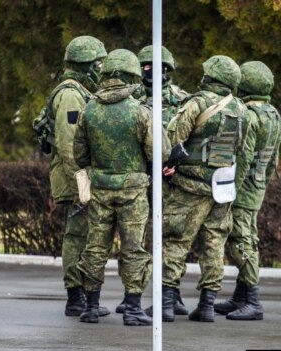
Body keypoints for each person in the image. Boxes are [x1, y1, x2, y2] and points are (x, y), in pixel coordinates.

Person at [74, 49, 171, 326]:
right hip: (133, 191)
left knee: (95, 247)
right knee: (133, 248)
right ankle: (132, 308)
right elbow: (160, 153)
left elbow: (79, 155)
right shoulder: (140, 112)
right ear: (133, 75)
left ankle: (91, 307)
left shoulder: (89, 110)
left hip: (101, 188)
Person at [160, 55, 253, 322]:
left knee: (175, 241)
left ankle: (167, 304)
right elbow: (243, 152)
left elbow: (172, 139)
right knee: (214, 246)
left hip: (189, 187)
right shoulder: (241, 110)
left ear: (210, 78)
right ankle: (207, 306)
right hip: (222, 189)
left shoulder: (197, 102)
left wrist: (168, 168)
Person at [114, 44, 191, 317]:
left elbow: (189, 135)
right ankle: (130, 295)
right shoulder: (130, 97)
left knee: (172, 236)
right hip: (138, 177)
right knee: (134, 240)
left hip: (171, 180)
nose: (150, 72)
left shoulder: (182, 100)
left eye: (156, 67)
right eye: (145, 67)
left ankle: (173, 294)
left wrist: (176, 164)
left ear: (167, 70)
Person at [46, 35, 110, 318]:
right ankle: (75, 297)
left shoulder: (83, 90)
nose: (101, 67)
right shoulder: (71, 94)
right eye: (98, 62)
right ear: (84, 64)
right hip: (76, 180)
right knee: (77, 235)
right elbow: (68, 145)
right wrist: (83, 186)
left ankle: (83, 294)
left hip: (82, 177)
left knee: (86, 236)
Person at [214, 61, 281, 321]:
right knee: (249, 239)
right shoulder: (273, 113)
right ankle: (240, 297)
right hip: (258, 186)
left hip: (243, 190)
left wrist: (230, 192)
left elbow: (242, 159)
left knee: (241, 242)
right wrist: (261, 183)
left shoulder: (250, 116)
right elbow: (273, 158)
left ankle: (253, 301)